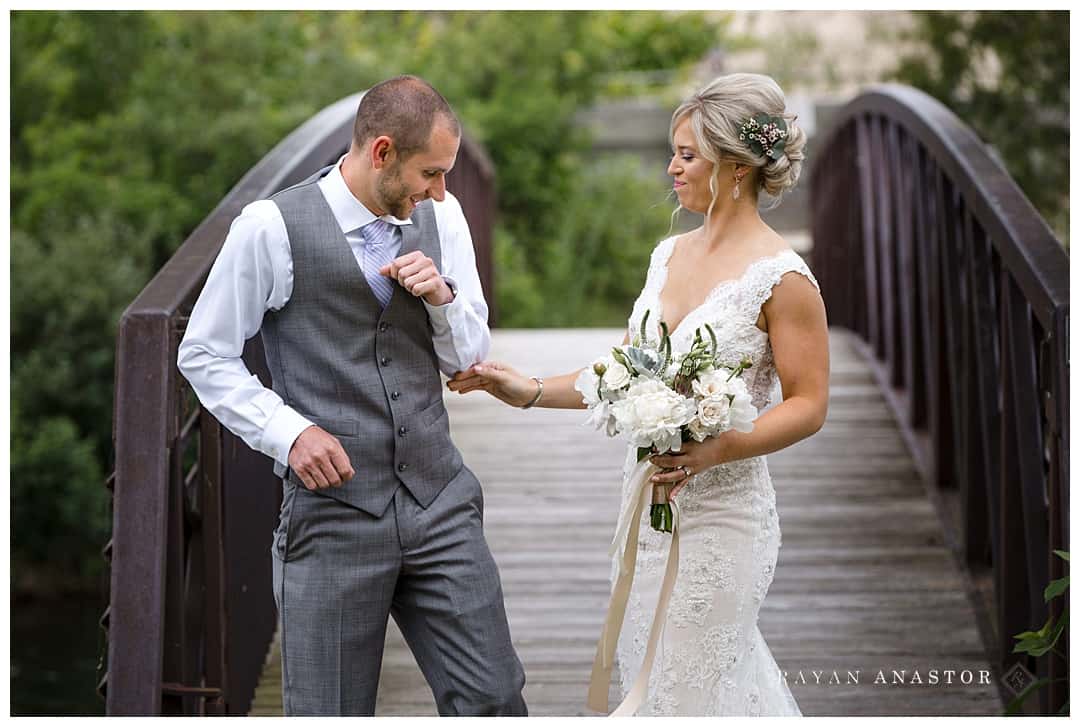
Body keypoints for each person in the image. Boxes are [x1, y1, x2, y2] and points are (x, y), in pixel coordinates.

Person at [447, 72, 829, 716]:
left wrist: (720, 447)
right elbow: (628, 370)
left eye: (686, 154)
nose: (671, 168)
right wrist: (530, 389)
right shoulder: (668, 254)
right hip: (650, 506)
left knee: (682, 688)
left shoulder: (783, 279)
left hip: (725, 515)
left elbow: (809, 405)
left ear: (735, 166)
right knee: (673, 682)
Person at [177, 75, 527, 716]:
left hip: (439, 501)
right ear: (382, 151)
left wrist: (441, 299)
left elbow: (471, 361)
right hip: (334, 516)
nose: (441, 191)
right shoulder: (270, 227)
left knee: (494, 700)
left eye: (449, 173)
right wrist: (290, 433)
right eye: (430, 172)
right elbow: (203, 352)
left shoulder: (441, 217)